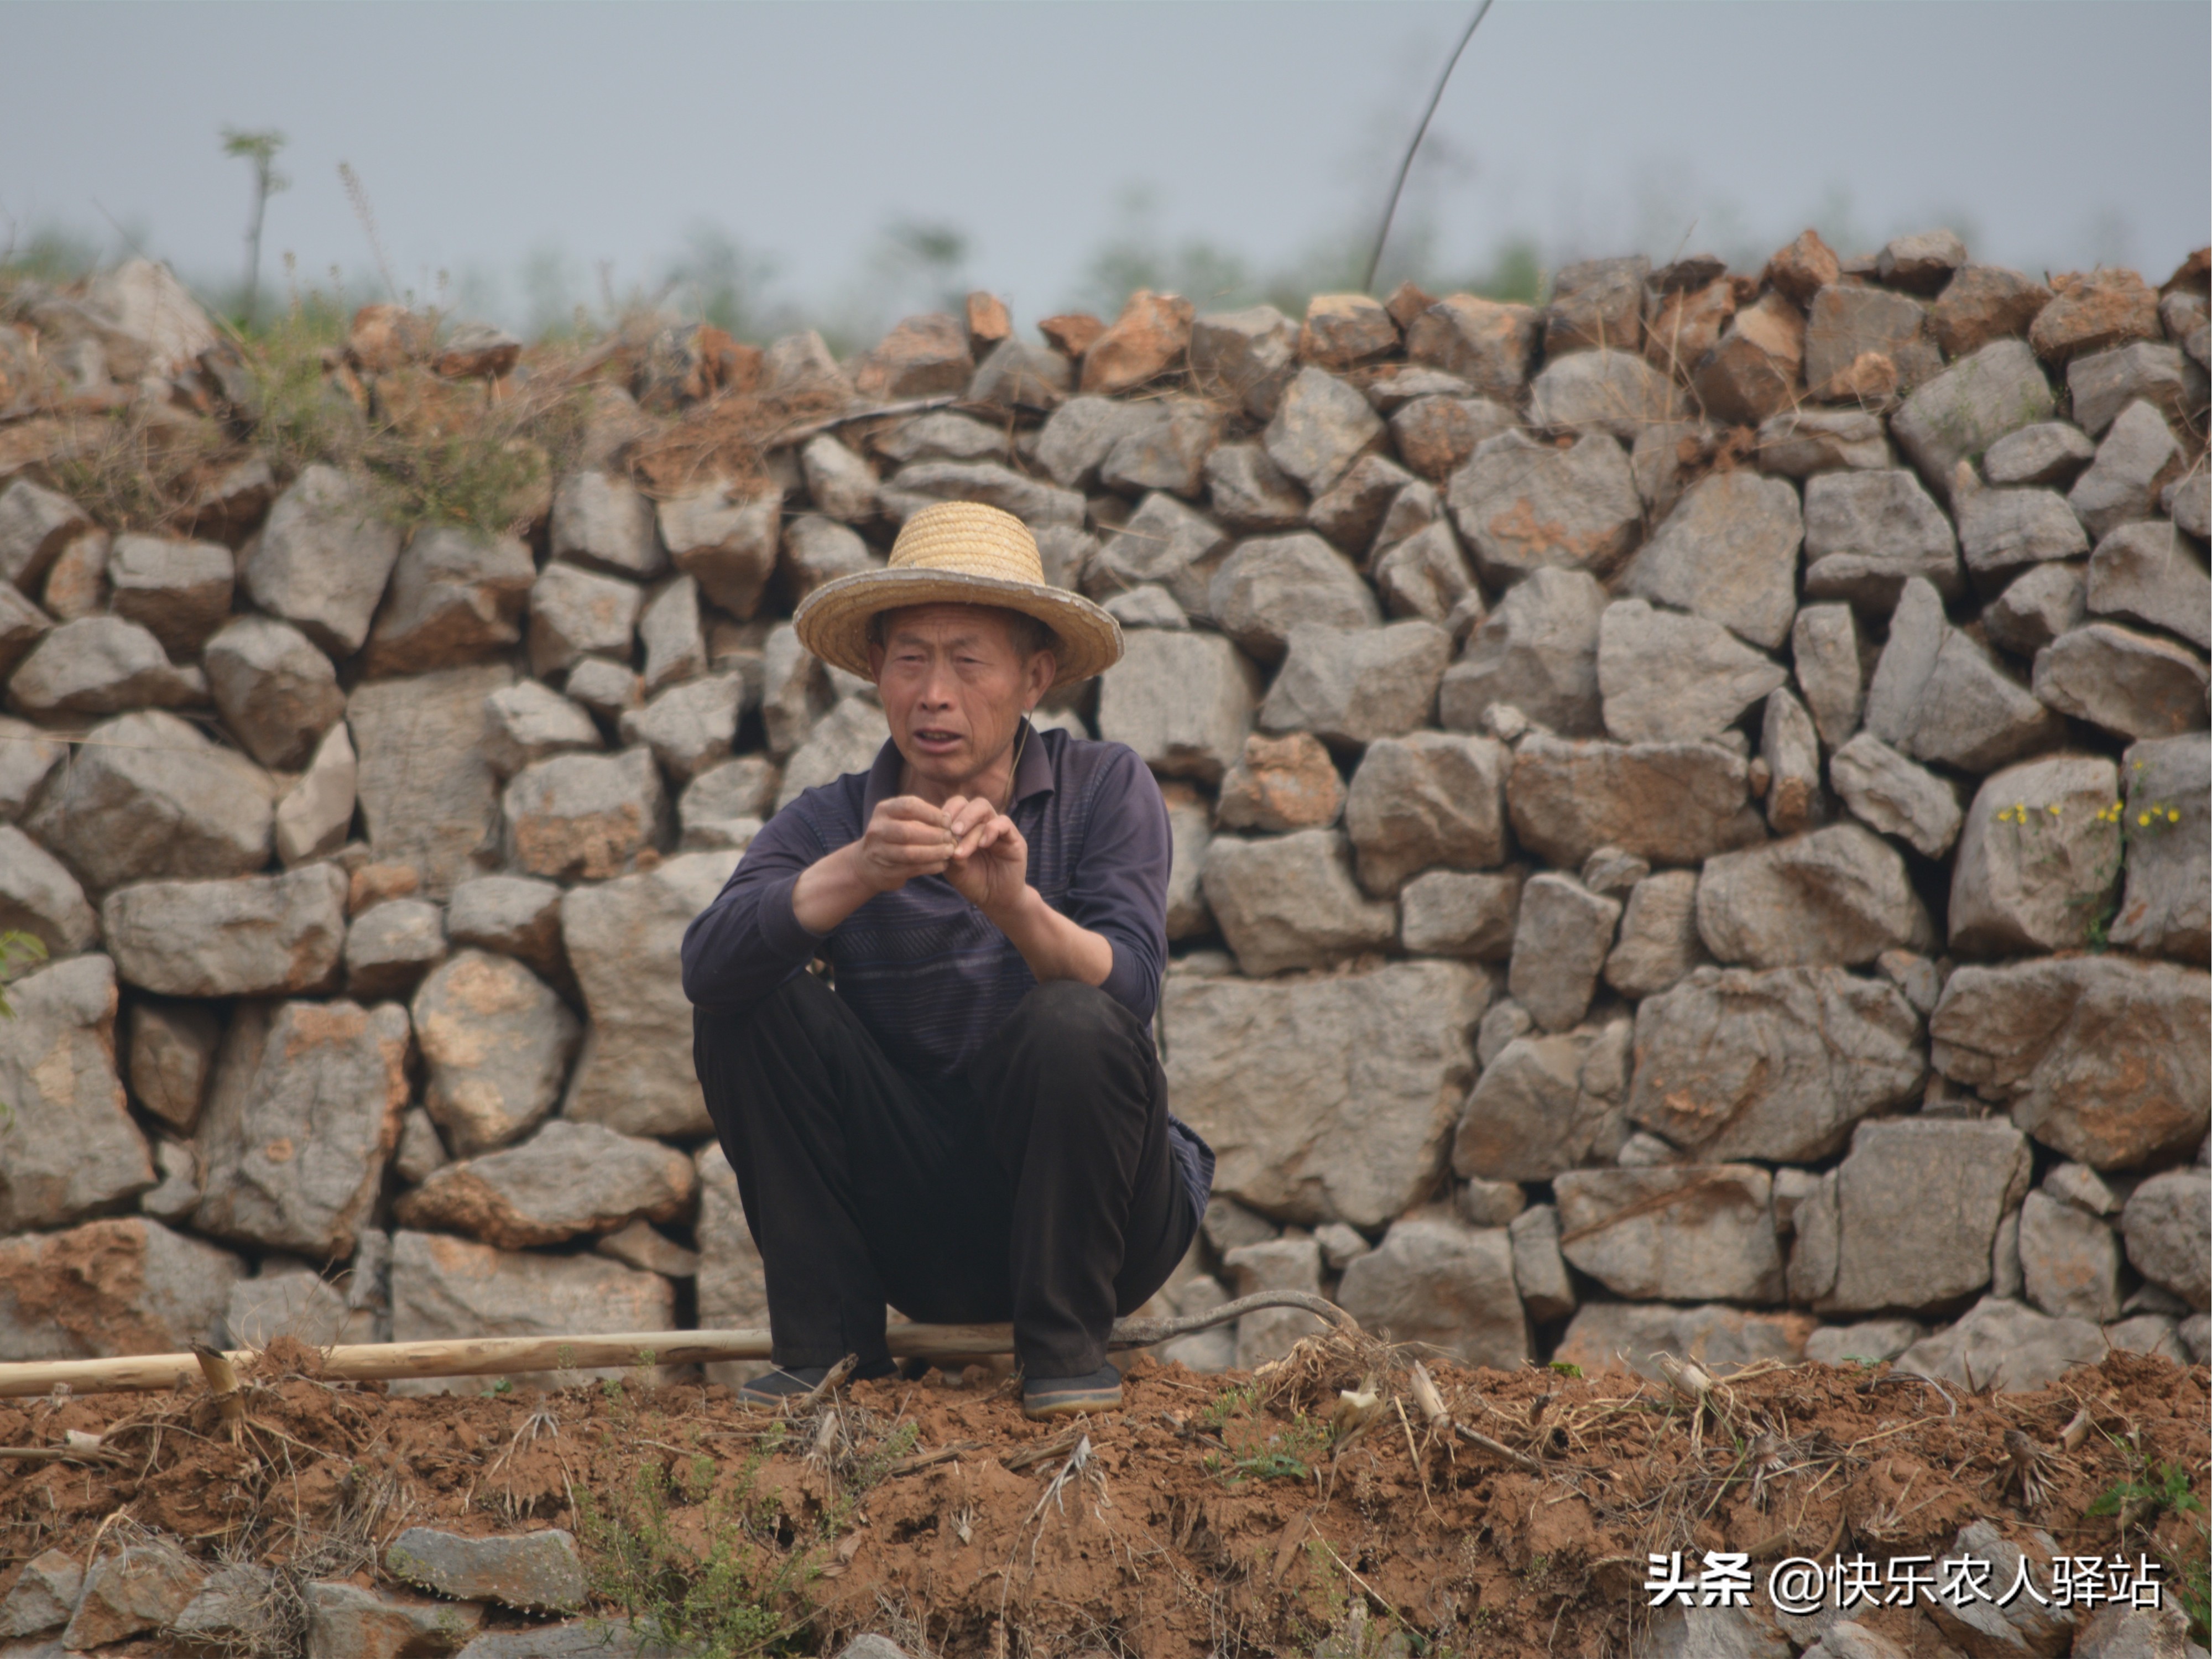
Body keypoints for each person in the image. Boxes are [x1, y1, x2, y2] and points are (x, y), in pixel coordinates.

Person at [680, 500, 1213, 1418]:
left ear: (1034, 677)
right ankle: (830, 1353)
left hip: (1104, 1219)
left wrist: (1016, 906)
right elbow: (707, 967)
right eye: (910, 660)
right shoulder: (836, 820)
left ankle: (1064, 1358)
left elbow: (1131, 990)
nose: (935, 693)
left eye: (969, 661)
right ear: (878, 676)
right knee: (752, 985)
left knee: (1075, 1014)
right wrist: (855, 872)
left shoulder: (1104, 787)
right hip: (922, 1230)